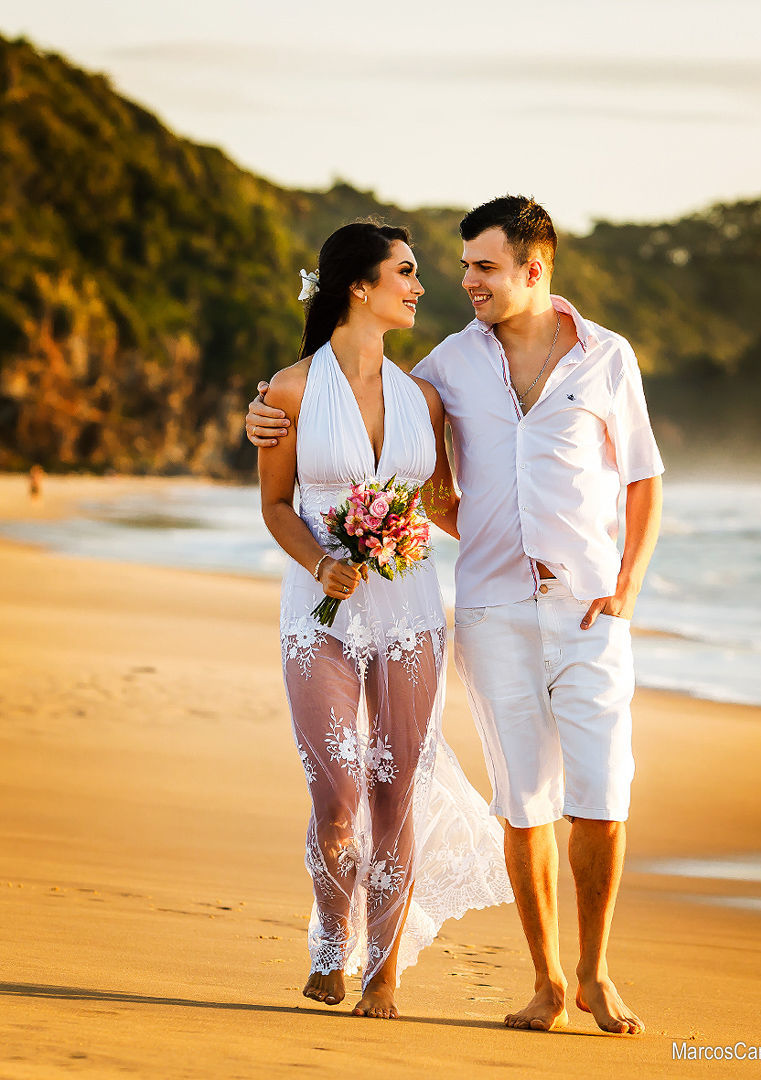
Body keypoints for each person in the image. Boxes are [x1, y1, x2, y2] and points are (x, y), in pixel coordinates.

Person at [248, 196, 663, 1035]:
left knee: (573, 794)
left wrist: (621, 582)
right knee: (474, 798)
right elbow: (326, 463)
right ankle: (503, 976)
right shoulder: (441, 367)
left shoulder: (593, 361)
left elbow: (635, 478)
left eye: (481, 266)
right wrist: (265, 411)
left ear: (533, 269)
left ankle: (564, 973)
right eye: (440, 267)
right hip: (452, 608)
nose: (455, 281)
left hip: (552, 609)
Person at [257, 221, 512, 1020]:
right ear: (357, 287)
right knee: (336, 797)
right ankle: (331, 948)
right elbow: (273, 503)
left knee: (396, 791)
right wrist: (319, 562)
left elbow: (441, 506)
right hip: (319, 614)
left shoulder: (423, 399)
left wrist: (534, 545)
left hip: (409, 612)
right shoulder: (289, 390)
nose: (419, 286)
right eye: (404, 272)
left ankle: (382, 974)